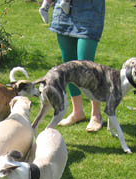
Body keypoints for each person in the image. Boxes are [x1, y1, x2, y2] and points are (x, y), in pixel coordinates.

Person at [49, 0, 105, 132]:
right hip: (64, 11)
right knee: (68, 64)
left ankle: (96, 114)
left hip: (89, 10)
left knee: (87, 66)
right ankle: (77, 112)